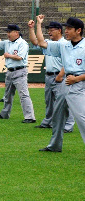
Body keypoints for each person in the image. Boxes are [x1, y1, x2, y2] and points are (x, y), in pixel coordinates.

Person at [35, 15, 85, 152]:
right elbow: (41, 43)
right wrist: (39, 24)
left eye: (69, 28)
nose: (66, 31)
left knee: (82, 119)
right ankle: (55, 145)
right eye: (66, 28)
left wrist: (77, 79)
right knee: (57, 115)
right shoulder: (64, 45)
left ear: (78, 30)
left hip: (79, 84)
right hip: (66, 83)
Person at [0, 23, 36, 123]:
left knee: (24, 95)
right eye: (7, 32)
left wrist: (9, 55)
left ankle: (30, 117)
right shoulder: (7, 42)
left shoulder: (22, 43)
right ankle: (5, 113)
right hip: (10, 71)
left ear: (16, 32)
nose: (8, 34)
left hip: (20, 71)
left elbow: (20, 57)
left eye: (9, 32)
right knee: (7, 95)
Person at [28, 20, 75, 132]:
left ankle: (68, 125)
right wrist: (32, 28)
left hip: (61, 76)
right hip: (49, 76)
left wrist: (61, 74)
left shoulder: (65, 43)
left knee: (65, 101)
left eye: (51, 30)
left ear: (59, 30)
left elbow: (69, 62)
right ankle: (48, 121)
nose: (49, 32)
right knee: (49, 101)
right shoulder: (50, 43)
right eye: (48, 30)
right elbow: (36, 41)